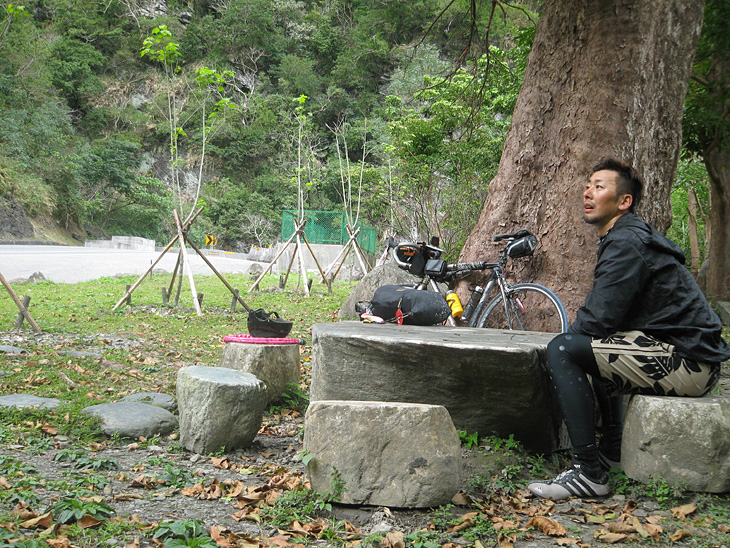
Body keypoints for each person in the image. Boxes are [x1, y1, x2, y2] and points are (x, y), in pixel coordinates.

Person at [527, 157, 730, 500]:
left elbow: (596, 321)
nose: (588, 193)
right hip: (690, 358)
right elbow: (607, 324)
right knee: (596, 344)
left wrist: (574, 338)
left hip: (689, 363)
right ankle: (612, 448)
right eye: (588, 185)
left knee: (564, 349)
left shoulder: (625, 241)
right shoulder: (626, 236)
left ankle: (588, 471)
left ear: (624, 202)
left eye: (599, 186)